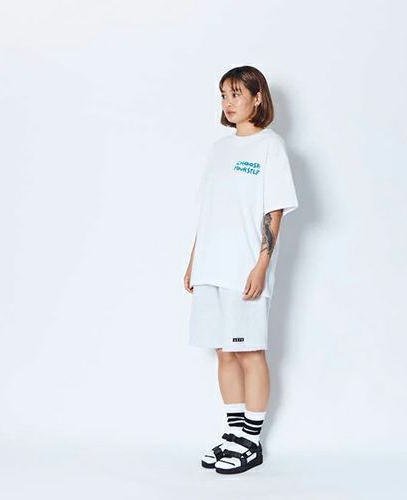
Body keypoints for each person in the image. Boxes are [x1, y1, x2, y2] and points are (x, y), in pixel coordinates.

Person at [183, 65, 298, 475]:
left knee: (249, 350)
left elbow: (274, 210)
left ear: (257, 97)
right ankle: (233, 433)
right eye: (223, 95)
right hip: (211, 267)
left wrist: (262, 264)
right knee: (225, 352)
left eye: (236, 94)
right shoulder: (219, 149)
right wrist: (193, 261)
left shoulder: (271, 146)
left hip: (244, 268)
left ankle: (251, 440)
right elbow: (209, 210)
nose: (228, 103)